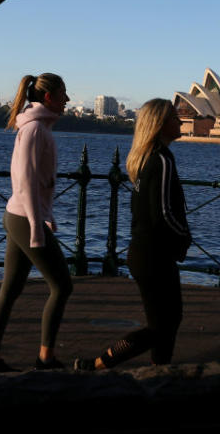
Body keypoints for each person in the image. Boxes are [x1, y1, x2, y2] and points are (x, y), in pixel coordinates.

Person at [74, 99, 190, 370]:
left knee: (166, 322)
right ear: (161, 124)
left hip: (143, 252)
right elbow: (163, 211)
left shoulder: (146, 158)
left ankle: (159, 370)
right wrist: (184, 236)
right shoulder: (162, 159)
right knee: (163, 325)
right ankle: (100, 363)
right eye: (175, 117)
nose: (181, 122)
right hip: (155, 254)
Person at [0, 73, 72, 373]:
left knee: (11, 289)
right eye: (63, 94)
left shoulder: (38, 128)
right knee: (62, 286)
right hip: (23, 219)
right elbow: (26, 182)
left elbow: (38, 183)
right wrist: (36, 226)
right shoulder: (35, 131)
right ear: (49, 97)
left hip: (20, 215)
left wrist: (47, 216)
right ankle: (45, 358)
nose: (67, 100)